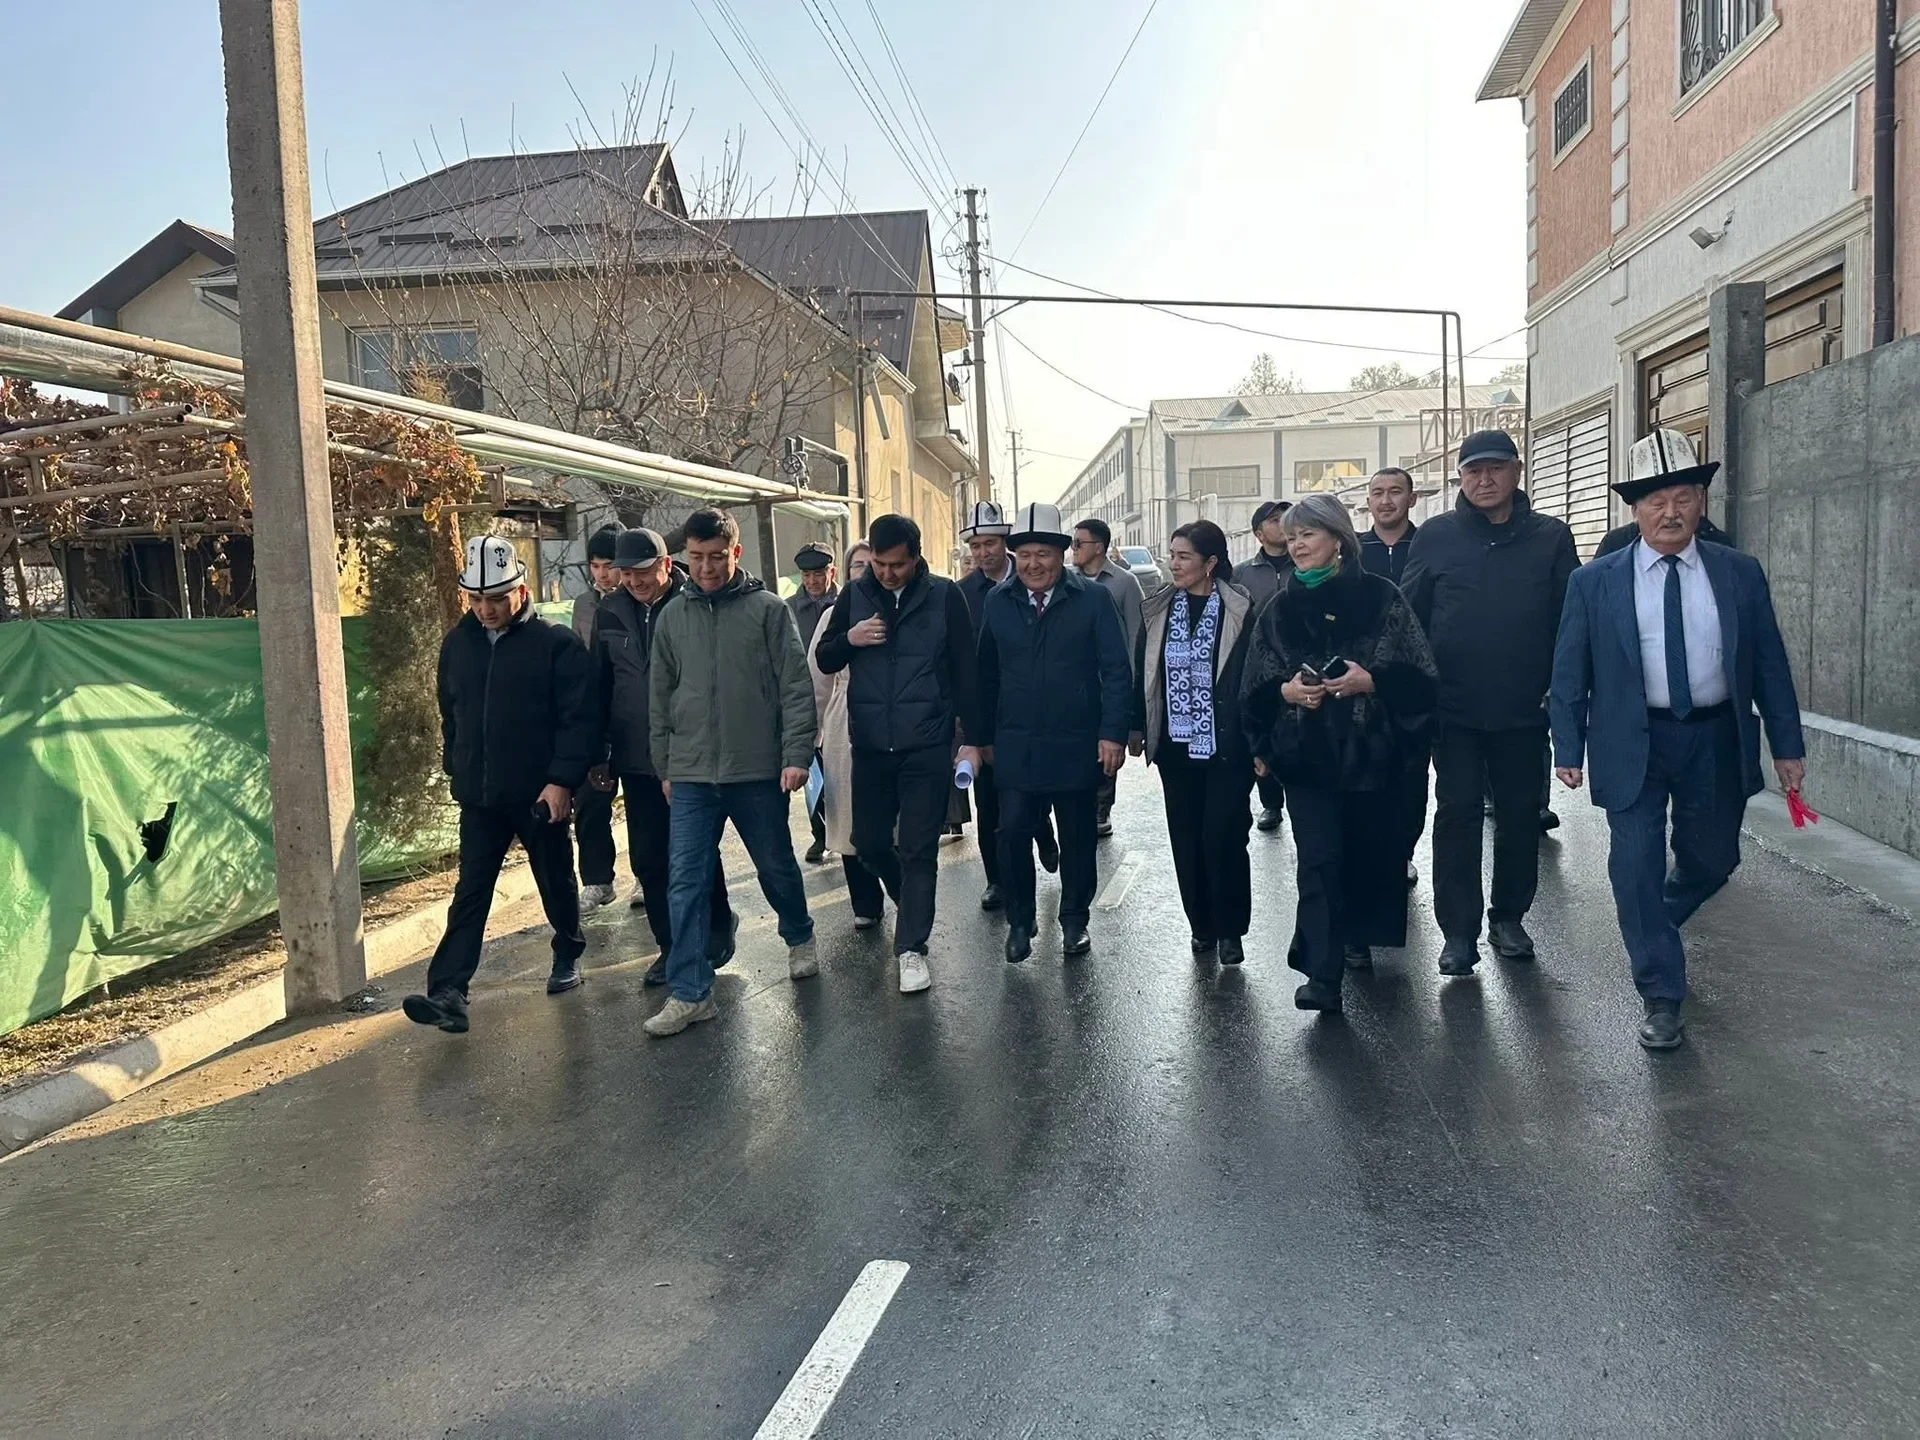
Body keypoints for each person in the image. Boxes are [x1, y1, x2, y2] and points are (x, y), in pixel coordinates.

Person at [1550, 429, 1806, 1050]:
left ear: (1701, 503)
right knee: (1634, 863)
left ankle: (1651, 925)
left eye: (1684, 498)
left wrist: (1787, 746)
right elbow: (1569, 669)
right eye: (1656, 501)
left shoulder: (1738, 573)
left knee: (1714, 860)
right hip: (1631, 741)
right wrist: (1567, 746)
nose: (1671, 512)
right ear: (1635, 510)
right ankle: (1661, 994)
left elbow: (1769, 663)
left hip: (1714, 738)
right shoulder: (1595, 582)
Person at [1242, 496, 1438, 1014]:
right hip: (1306, 759)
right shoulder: (1279, 608)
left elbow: (1420, 676)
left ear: (1338, 539)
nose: (1298, 545)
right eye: (1292, 536)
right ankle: (1321, 973)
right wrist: (1285, 694)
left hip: (1374, 758)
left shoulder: (1381, 597)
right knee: (1318, 861)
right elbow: (1255, 681)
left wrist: (1370, 681)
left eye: (1308, 534)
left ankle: (1356, 935)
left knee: (1369, 853)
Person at [403, 535, 597, 1034]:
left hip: (538, 794)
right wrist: (456, 765)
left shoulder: (556, 645)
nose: (486, 609)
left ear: (521, 591)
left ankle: (568, 950)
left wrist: (561, 782)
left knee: (554, 878)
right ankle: (448, 991)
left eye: (496, 599)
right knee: (471, 891)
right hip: (481, 796)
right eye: (476, 599)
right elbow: (451, 712)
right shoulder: (458, 644)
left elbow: (579, 719)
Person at [1401, 430, 1576, 977]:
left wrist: (1562, 688)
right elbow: (1408, 618)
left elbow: (1569, 621)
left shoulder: (1550, 537)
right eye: (1473, 471)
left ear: (1516, 471)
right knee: (1456, 816)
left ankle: (1509, 919)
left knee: (1519, 817)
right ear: (1460, 478)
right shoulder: (1436, 536)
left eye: (1496, 468)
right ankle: (1458, 933)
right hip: (1453, 709)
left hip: (1524, 709)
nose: (1485, 480)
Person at [644, 507, 819, 1038]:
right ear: (685, 556)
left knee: (774, 865)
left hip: (755, 769)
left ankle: (799, 933)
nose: (706, 567)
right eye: (696, 557)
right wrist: (665, 766)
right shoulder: (672, 617)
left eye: (716, 556)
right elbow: (660, 698)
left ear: (735, 553)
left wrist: (795, 755)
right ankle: (691, 992)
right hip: (692, 773)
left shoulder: (767, 611)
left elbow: (795, 685)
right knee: (685, 881)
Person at [815, 513, 982, 993]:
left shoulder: (944, 596)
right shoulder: (855, 595)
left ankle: (911, 949)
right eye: (880, 565)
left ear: (916, 557)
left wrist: (972, 738)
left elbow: (966, 672)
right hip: (870, 746)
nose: (887, 573)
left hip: (926, 745)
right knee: (868, 843)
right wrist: (850, 638)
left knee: (918, 848)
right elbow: (825, 657)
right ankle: (909, 900)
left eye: (897, 565)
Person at [976, 502, 1132, 962]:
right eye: (1024, 555)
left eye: (1043, 554)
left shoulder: (1093, 600)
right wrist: (981, 737)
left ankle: (1074, 920)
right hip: (1016, 742)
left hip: (1076, 740)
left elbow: (1116, 670)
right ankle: (1020, 921)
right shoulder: (998, 601)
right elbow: (985, 674)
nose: (1033, 564)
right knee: (1011, 832)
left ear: (1061, 555)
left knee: (1078, 836)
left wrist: (1113, 733)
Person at [589, 526, 737, 988]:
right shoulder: (609, 612)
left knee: (695, 851)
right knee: (650, 858)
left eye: (643, 571)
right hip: (637, 757)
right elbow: (600, 686)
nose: (634, 581)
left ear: (666, 566)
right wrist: (600, 753)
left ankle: (716, 926)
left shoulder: (693, 603)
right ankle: (670, 947)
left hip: (691, 753)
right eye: (627, 573)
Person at [1133, 521, 1257, 965]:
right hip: (1175, 750)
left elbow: (1253, 679)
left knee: (1224, 836)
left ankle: (1231, 930)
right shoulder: (1160, 610)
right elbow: (1144, 673)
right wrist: (1137, 727)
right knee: (1186, 840)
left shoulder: (1240, 611)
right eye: (1172, 555)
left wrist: (1258, 742)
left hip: (1227, 748)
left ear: (1211, 563)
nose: (1174, 564)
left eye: (1184, 556)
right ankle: (1201, 924)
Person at [957, 500, 1057, 907]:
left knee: (1035, 792)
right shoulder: (962, 594)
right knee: (989, 802)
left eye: (990, 544)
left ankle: (1043, 831)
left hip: (1035, 713)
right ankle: (996, 879)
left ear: (1006, 543)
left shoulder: (1033, 581)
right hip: (986, 715)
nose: (983, 553)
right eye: (975, 546)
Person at [806, 542, 885, 934]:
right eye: (858, 565)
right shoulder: (832, 616)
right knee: (849, 819)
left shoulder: (902, 610)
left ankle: (907, 896)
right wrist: (813, 733)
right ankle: (865, 903)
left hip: (893, 724)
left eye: (873, 564)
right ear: (847, 572)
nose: (866, 571)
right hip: (844, 724)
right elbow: (818, 680)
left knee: (893, 820)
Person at [1359, 466, 1429, 886]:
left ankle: (1403, 852)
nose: (1386, 501)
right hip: (1359, 681)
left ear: (1412, 499)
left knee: (1411, 773)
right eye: (1378, 493)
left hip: (1411, 679)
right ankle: (1368, 852)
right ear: (1368, 501)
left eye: (1395, 492)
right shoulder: (1351, 549)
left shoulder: (1428, 545)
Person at [1073, 516, 1146, 839]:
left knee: (1107, 745)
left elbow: (1136, 634)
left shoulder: (1124, 583)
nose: (1073, 549)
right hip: (1077, 682)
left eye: (1079, 543)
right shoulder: (1068, 580)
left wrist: (1132, 686)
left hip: (1111, 681)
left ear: (1099, 547)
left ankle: (1102, 808)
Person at [571, 523, 625, 909]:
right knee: (590, 800)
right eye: (595, 565)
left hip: (633, 713)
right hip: (593, 716)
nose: (603, 574)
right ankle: (597, 880)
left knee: (644, 804)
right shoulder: (583, 605)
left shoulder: (637, 602)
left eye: (610, 565)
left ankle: (648, 877)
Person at [1235, 498, 1295, 833]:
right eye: (1274, 520)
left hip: (1300, 664)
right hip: (1259, 666)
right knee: (1263, 731)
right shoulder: (1243, 573)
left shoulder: (1305, 564)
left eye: (1286, 517)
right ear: (1259, 533)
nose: (1282, 523)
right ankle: (1271, 803)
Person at [787, 542, 840, 864]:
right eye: (806, 575)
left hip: (840, 699)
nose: (812, 581)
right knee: (813, 774)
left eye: (818, 574)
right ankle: (820, 834)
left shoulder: (848, 603)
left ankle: (843, 829)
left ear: (831, 572)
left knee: (840, 774)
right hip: (803, 701)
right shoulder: (788, 609)